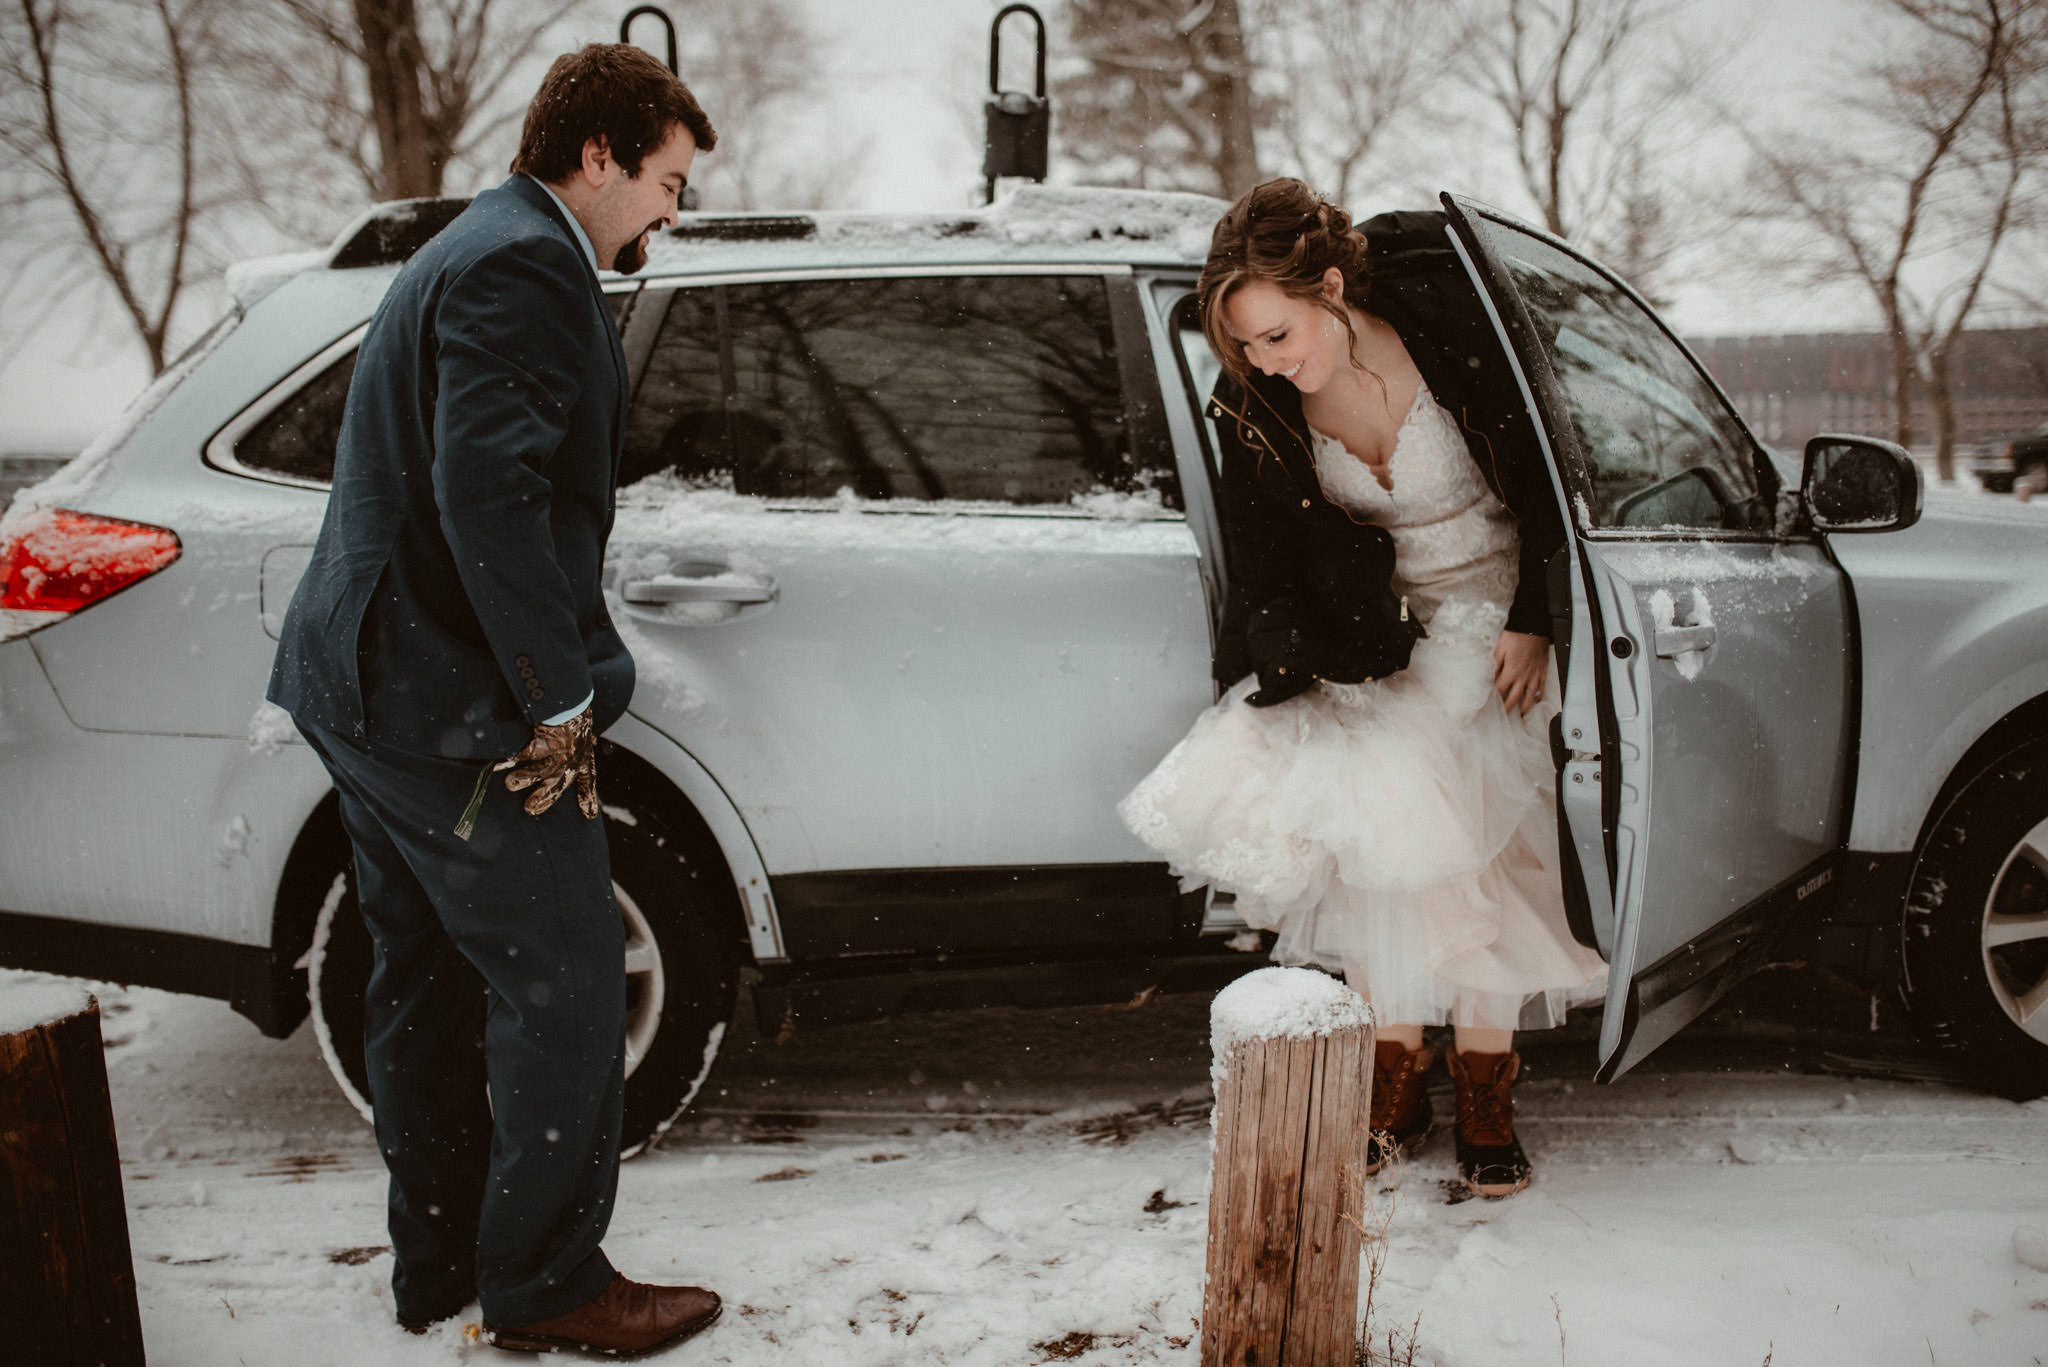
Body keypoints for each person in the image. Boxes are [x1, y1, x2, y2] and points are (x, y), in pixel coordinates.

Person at [267, 45, 722, 1354]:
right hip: (446, 699)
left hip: (370, 686)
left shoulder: (486, 241)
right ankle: (545, 1281)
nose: (671, 214)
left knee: (421, 971)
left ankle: (442, 1265)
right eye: (668, 184)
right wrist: (558, 699)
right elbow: (491, 495)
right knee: (569, 972)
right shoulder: (524, 263)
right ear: (600, 158)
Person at [1119, 179, 1607, 1198]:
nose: (1265, 361)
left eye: (1278, 333)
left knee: (1492, 852)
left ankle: (1484, 1077)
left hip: (1500, 615)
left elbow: (1548, 476)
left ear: (1331, 288)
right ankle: (1395, 1070)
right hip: (1382, 631)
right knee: (1384, 848)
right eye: (1246, 344)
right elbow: (1259, 547)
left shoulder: (1449, 338)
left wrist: (1534, 617)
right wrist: (1276, 663)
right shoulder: (1249, 398)